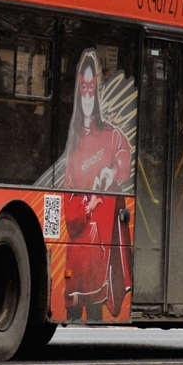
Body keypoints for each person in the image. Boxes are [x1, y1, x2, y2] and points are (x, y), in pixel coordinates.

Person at [63, 49, 133, 320]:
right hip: (76, 262)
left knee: (94, 316)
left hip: (100, 266)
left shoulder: (111, 136)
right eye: (84, 89)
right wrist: (89, 203)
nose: (88, 96)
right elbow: (70, 213)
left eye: (92, 89)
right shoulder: (74, 143)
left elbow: (124, 157)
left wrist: (111, 172)